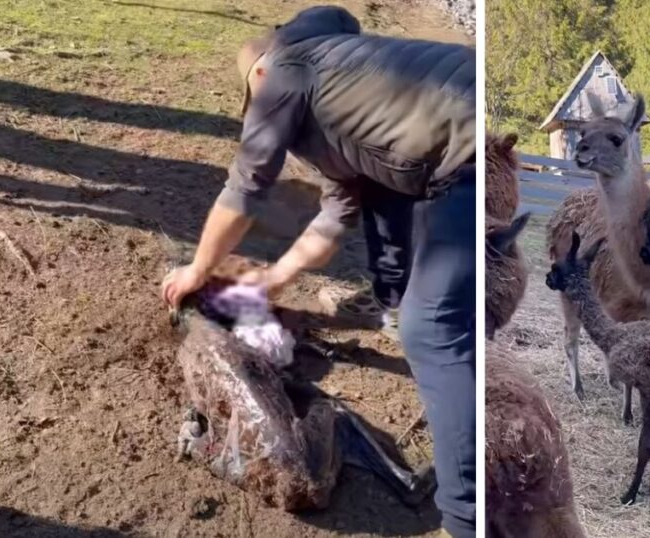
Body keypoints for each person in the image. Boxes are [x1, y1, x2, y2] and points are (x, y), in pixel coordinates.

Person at [160, 6, 475, 537]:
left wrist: (199, 268)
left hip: (464, 150)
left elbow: (247, 186)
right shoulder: (347, 95)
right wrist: (277, 277)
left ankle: (466, 516)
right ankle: (400, 306)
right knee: (386, 205)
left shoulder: (284, 69)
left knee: (435, 331)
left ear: (258, 75)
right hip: (450, 144)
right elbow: (336, 216)